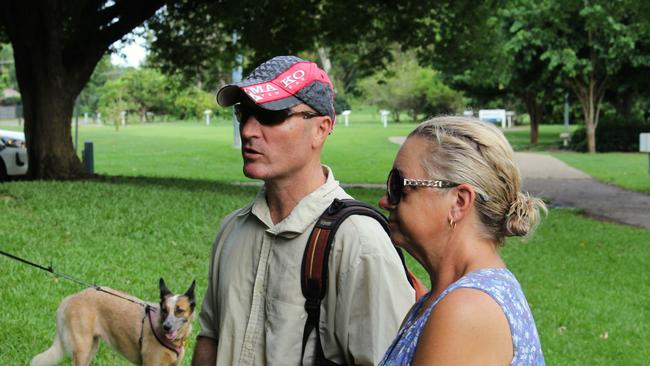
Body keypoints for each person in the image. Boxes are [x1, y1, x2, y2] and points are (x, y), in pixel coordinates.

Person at [192, 55, 415, 366]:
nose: (248, 131)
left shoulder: (360, 243)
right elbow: (211, 336)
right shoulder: (232, 229)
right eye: (245, 113)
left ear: (321, 129)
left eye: (271, 115)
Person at [378, 116, 546, 365]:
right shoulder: (447, 298)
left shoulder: (467, 309)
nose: (384, 201)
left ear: (458, 202)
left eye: (399, 186)